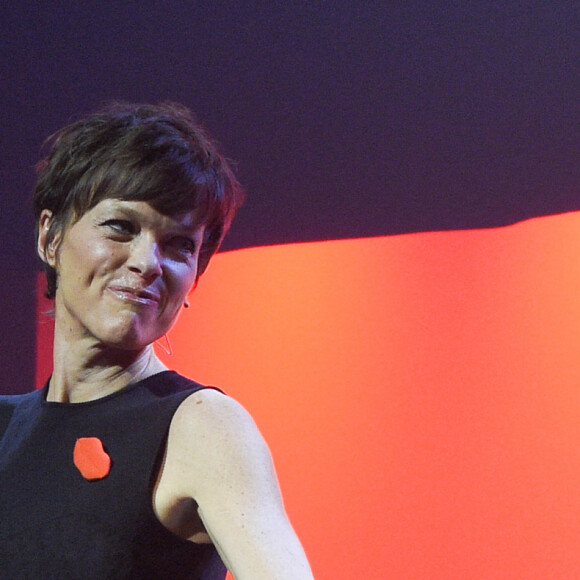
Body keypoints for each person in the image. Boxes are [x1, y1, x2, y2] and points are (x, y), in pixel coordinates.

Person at [0, 102, 314, 579]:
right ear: (50, 237)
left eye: (178, 245)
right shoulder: (5, 426)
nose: (148, 262)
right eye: (121, 227)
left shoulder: (201, 426)